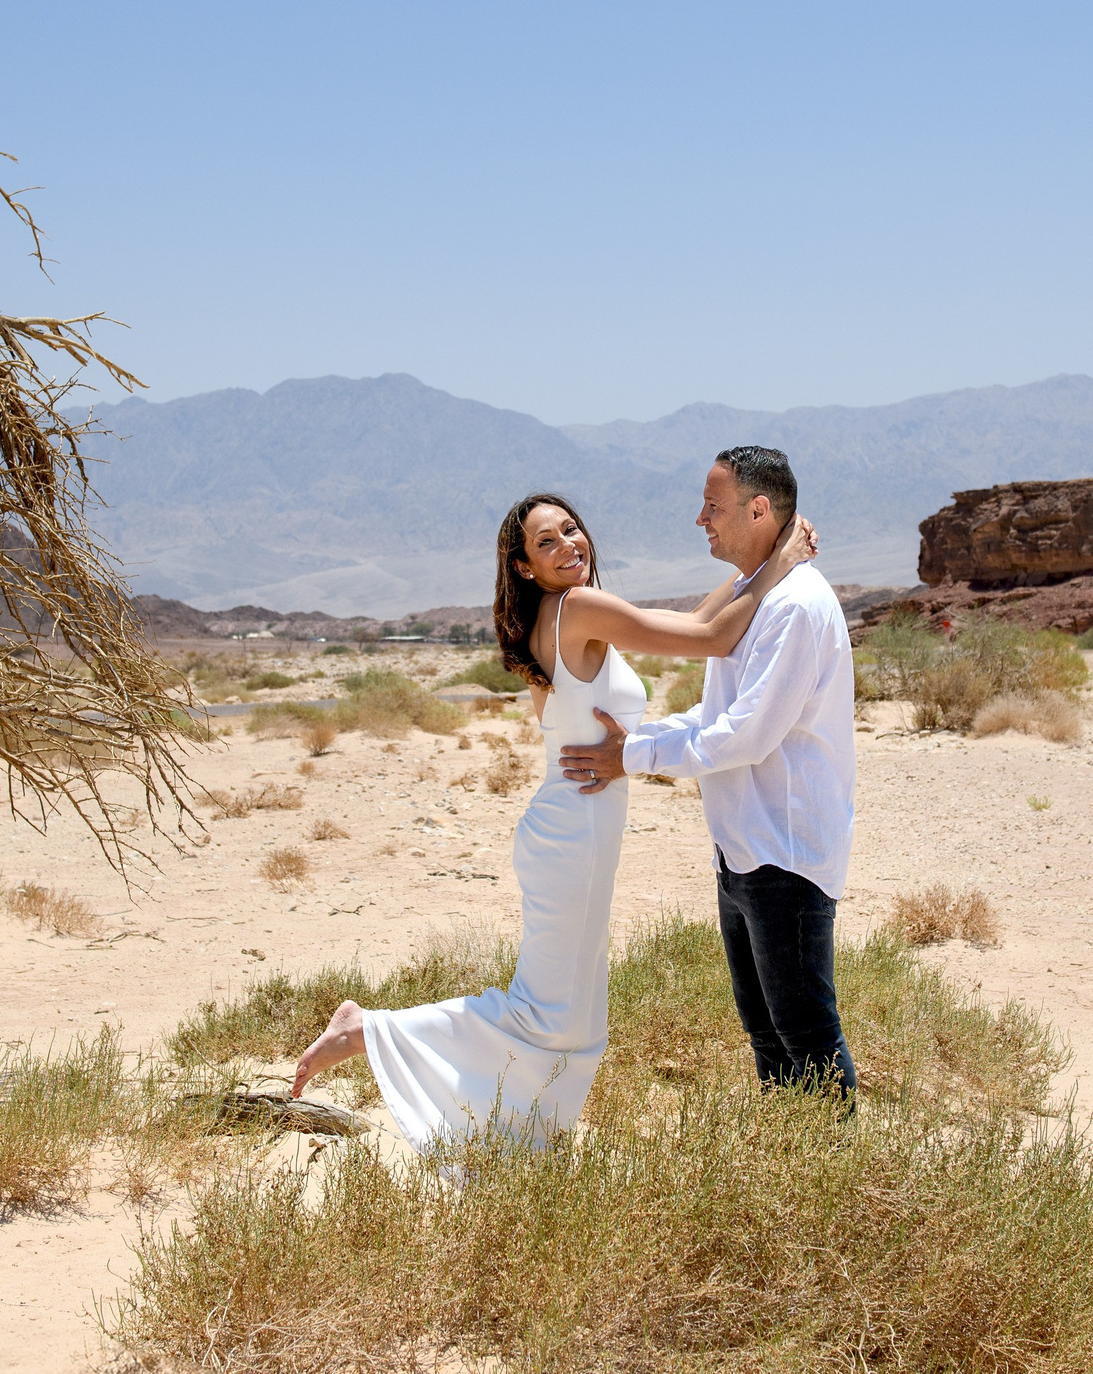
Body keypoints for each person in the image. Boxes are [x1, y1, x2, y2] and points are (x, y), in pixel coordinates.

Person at [288, 487, 818, 1148]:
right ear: (525, 566)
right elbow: (710, 638)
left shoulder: (563, 612)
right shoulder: (577, 607)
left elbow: (689, 619)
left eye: (571, 529)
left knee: (580, 1022)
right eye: (547, 541)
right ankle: (367, 1030)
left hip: (572, 829)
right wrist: (780, 562)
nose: (569, 544)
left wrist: (755, 567)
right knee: (546, 1015)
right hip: (572, 835)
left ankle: (518, 1145)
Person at [560, 446, 858, 1097]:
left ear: (759, 510)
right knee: (767, 1037)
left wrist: (631, 756)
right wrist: (638, 741)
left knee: (807, 1037)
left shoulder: (794, 605)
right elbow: (721, 711)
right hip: (744, 850)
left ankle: (832, 1161)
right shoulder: (758, 594)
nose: (700, 519)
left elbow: (745, 734)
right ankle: (788, 1153)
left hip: (785, 855)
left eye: (713, 505)